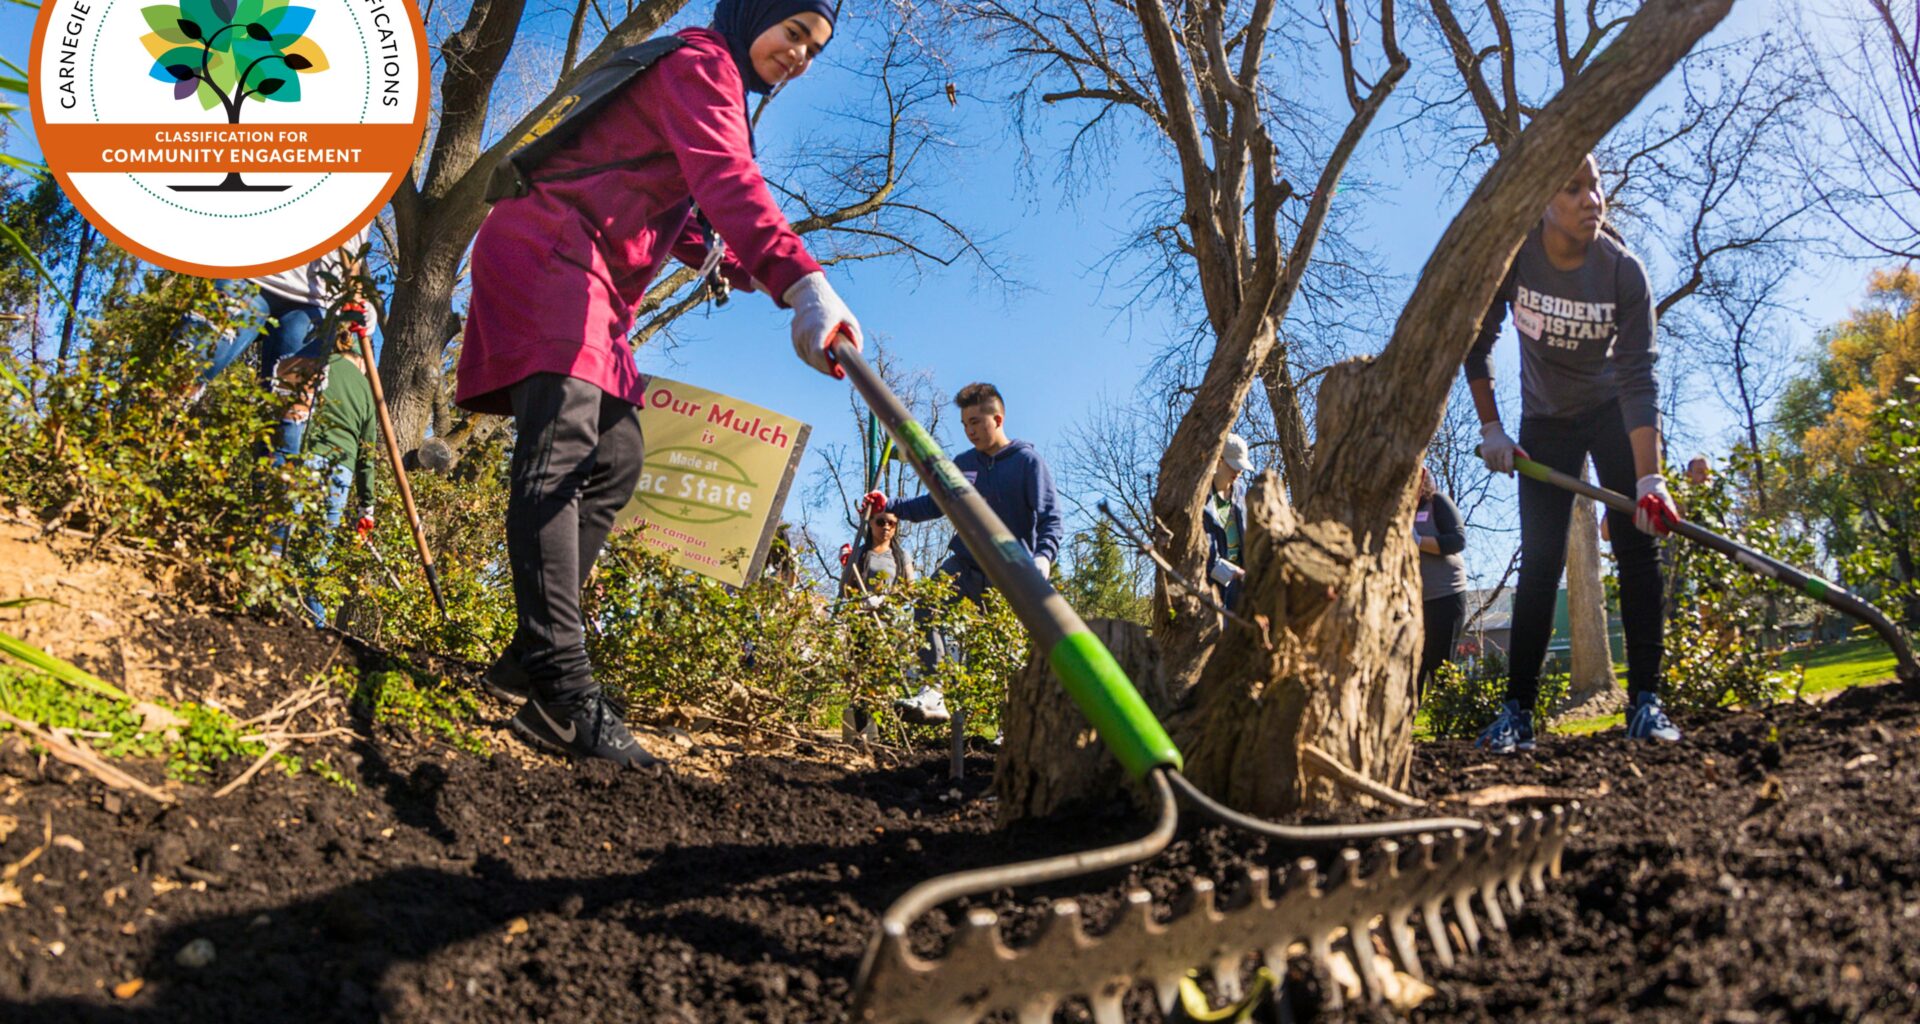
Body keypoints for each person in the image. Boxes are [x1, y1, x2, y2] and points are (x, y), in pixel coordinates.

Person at [460, 0, 862, 767]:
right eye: (795, 34)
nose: (801, 57)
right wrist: (800, 281)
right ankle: (563, 693)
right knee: (564, 454)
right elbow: (725, 177)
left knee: (614, 462)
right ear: (755, 17)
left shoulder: (704, 79)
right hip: (553, 248)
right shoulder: (701, 62)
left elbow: (666, 193)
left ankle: (528, 655)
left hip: (596, 275)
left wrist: (733, 261)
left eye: (815, 50)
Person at [1465, 153, 1683, 755]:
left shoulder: (1623, 273)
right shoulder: (1514, 259)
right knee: (1540, 563)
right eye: (1573, 186)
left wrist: (1649, 479)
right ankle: (1518, 714)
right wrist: (1493, 430)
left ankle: (1645, 703)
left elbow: (1639, 379)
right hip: (1546, 422)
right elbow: (1475, 343)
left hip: (1613, 414)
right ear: (1541, 199)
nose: (1593, 199)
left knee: (1636, 548)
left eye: (1596, 186)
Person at [859, 383, 1063, 725]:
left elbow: (1050, 517)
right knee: (928, 604)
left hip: (1011, 569)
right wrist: (889, 505)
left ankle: (1008, 726)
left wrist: (1043, 557)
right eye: (965, 425)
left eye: (976, 423)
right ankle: (933, 692)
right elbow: (934, 504)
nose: (970, 432)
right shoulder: (963, 464)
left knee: (1004, 647)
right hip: (966, 564)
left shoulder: (1027, 462)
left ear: (997, 419)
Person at [181, 227, 372, 463]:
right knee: (181, 377)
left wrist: (354, 293)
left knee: (287, 431)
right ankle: (125, 473)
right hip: (253, 274)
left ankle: (271, 499)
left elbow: (352, 250)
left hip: (316, 304)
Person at [284, 303, 379, 628]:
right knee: (317, 549)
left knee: (286, 531)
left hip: (310, 456)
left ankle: (273, 603)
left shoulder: (320, 362)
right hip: (342, 471)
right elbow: (368, 454)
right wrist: (367, 506)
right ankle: (316, 624)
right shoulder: (368, 390)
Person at [1413, 466, 1468, 699]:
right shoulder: (1397, 511)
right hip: (1413, 604)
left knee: (1441, 665)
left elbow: (1457, 541)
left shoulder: (1437, 502)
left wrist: (1417, 540)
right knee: (1412, 668)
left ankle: (1449, 723)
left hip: (1445, 596)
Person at [1203, 433, 1253, 611]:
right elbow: (1204, 553)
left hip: (1240, 587)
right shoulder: (1201, 497)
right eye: (1233, 465)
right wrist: (1233, 573)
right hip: (1210, 587)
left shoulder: (1239, 492)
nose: (1239, 472)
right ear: (1219, 460)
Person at [840, 510, 917, 599]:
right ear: (871, 523)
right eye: (881, 522)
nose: (886, 527)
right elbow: (846, 591)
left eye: (891, 523)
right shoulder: (859, 554)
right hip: (863, 610)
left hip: (891, 610)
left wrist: (894, 597)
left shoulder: (902, 556)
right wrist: (847, 566)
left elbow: (911, 589)